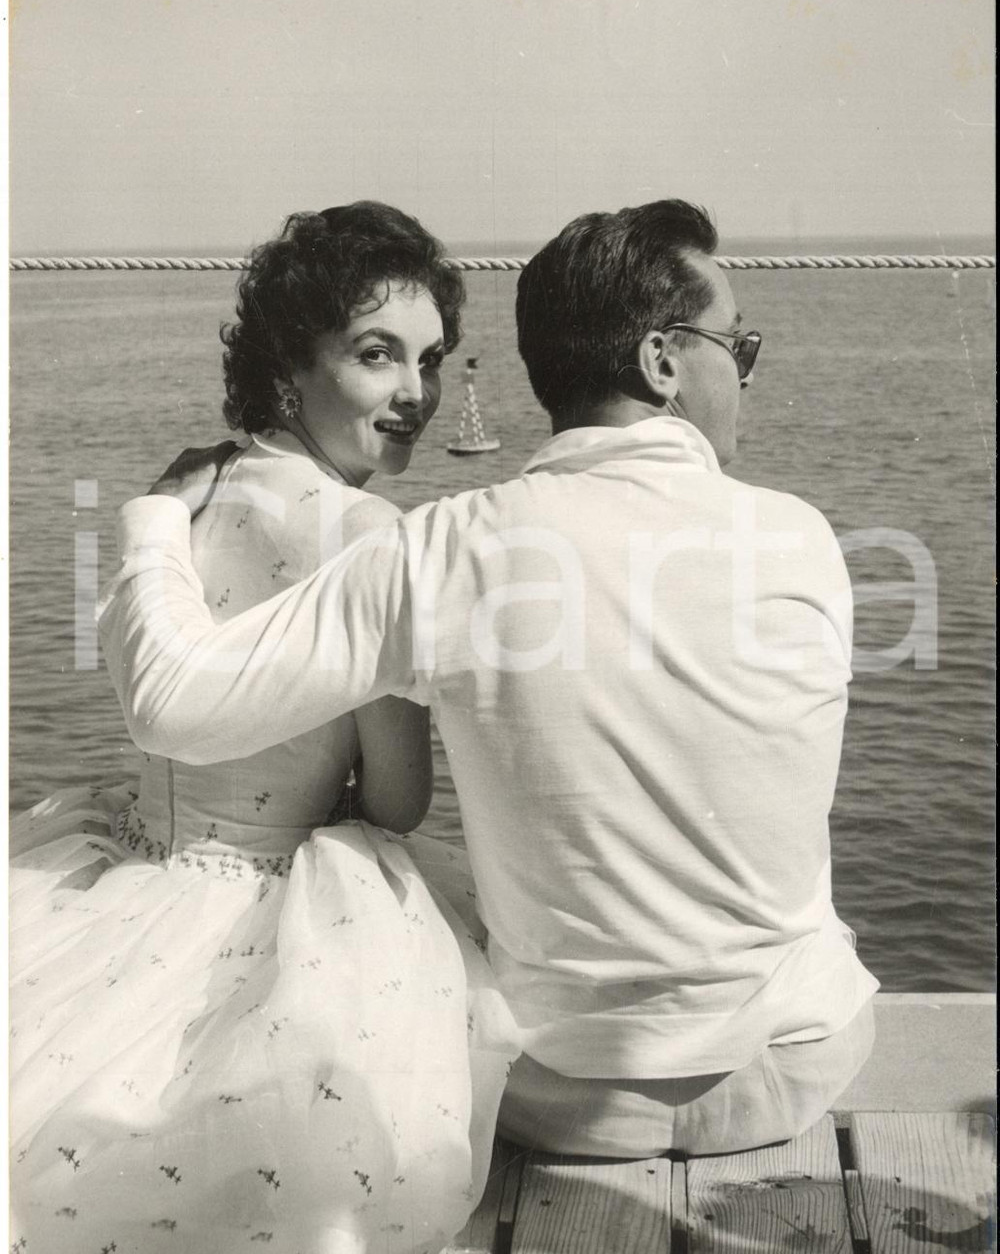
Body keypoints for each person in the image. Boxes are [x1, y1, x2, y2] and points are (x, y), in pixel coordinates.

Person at [95, 198, 879, 1162]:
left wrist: (152, 521)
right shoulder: (804, 539)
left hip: (565, 1097)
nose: (749, 376)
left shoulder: (447, 548)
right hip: (796, 1068)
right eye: (741, 348)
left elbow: (173, 706)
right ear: (663, 363)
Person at [8, 202, 521, 1254]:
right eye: (379, 354)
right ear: (292, 364)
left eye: (430, 359)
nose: (416, 393)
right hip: (272, 902)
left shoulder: (188, 490)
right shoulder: (371, 532)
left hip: (120, 875)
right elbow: (397, 799)